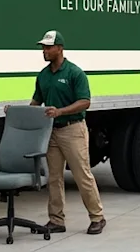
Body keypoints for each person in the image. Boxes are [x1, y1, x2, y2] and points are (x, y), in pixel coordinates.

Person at [29, 30, 106, 235]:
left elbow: (85, 102)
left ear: (60, 49)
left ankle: (97, 217)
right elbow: (36, 102)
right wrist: (19, 112)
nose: (44, 51)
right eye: (43, 47)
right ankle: (56, 220)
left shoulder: (74, 73)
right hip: (52, 132)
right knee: (54, 177)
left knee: (82, 175)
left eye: (48, 47)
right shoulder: (43, 76)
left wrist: (60, 111)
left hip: (73, 129)